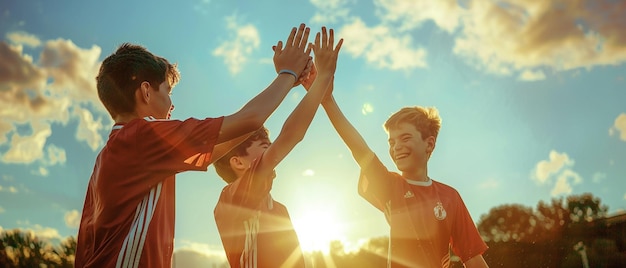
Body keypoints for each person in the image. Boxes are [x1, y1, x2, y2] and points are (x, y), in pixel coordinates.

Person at [74, 23, 313, 268]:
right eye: (167, 92)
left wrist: (288, 84)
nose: (171, 105)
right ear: (146, 92)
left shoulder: (117, 152)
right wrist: (288, 74)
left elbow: (236, 134)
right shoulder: (141, 137)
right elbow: (249, 119)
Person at [307, 79, 489, 266]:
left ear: (430, 143)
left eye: (405, 138)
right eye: (391, 142)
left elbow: (472, 256)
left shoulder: (451, 197)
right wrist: (327, 101)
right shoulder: (390, 185)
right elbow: (359, 148)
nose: (397, 147)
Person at [212, 26, 342, 268]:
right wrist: (320, 79)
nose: (272, 151)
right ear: (237, 162)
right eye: (264, 146)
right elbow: (291, 135)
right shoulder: (231, 199)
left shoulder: (278, 209)